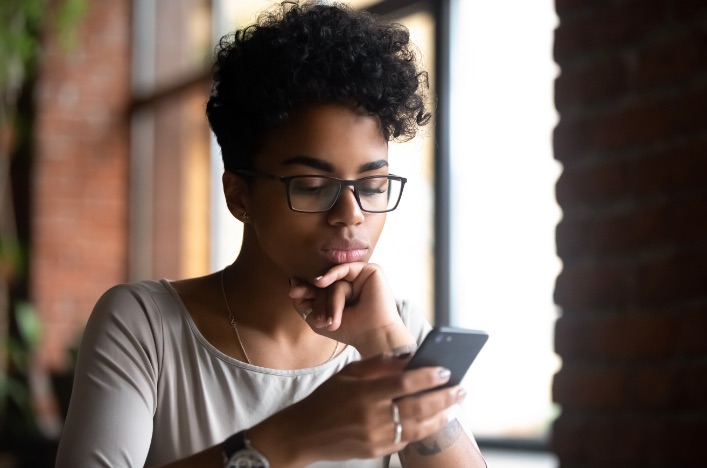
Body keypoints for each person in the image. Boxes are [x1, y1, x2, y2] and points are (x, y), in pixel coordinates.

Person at [55, 1, 486, 467]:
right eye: (313, 186)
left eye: (372, 185)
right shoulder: (146, 327)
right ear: (239, 196)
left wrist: (386, 341)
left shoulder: (396, 324)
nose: (351, 214)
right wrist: (290, 437)